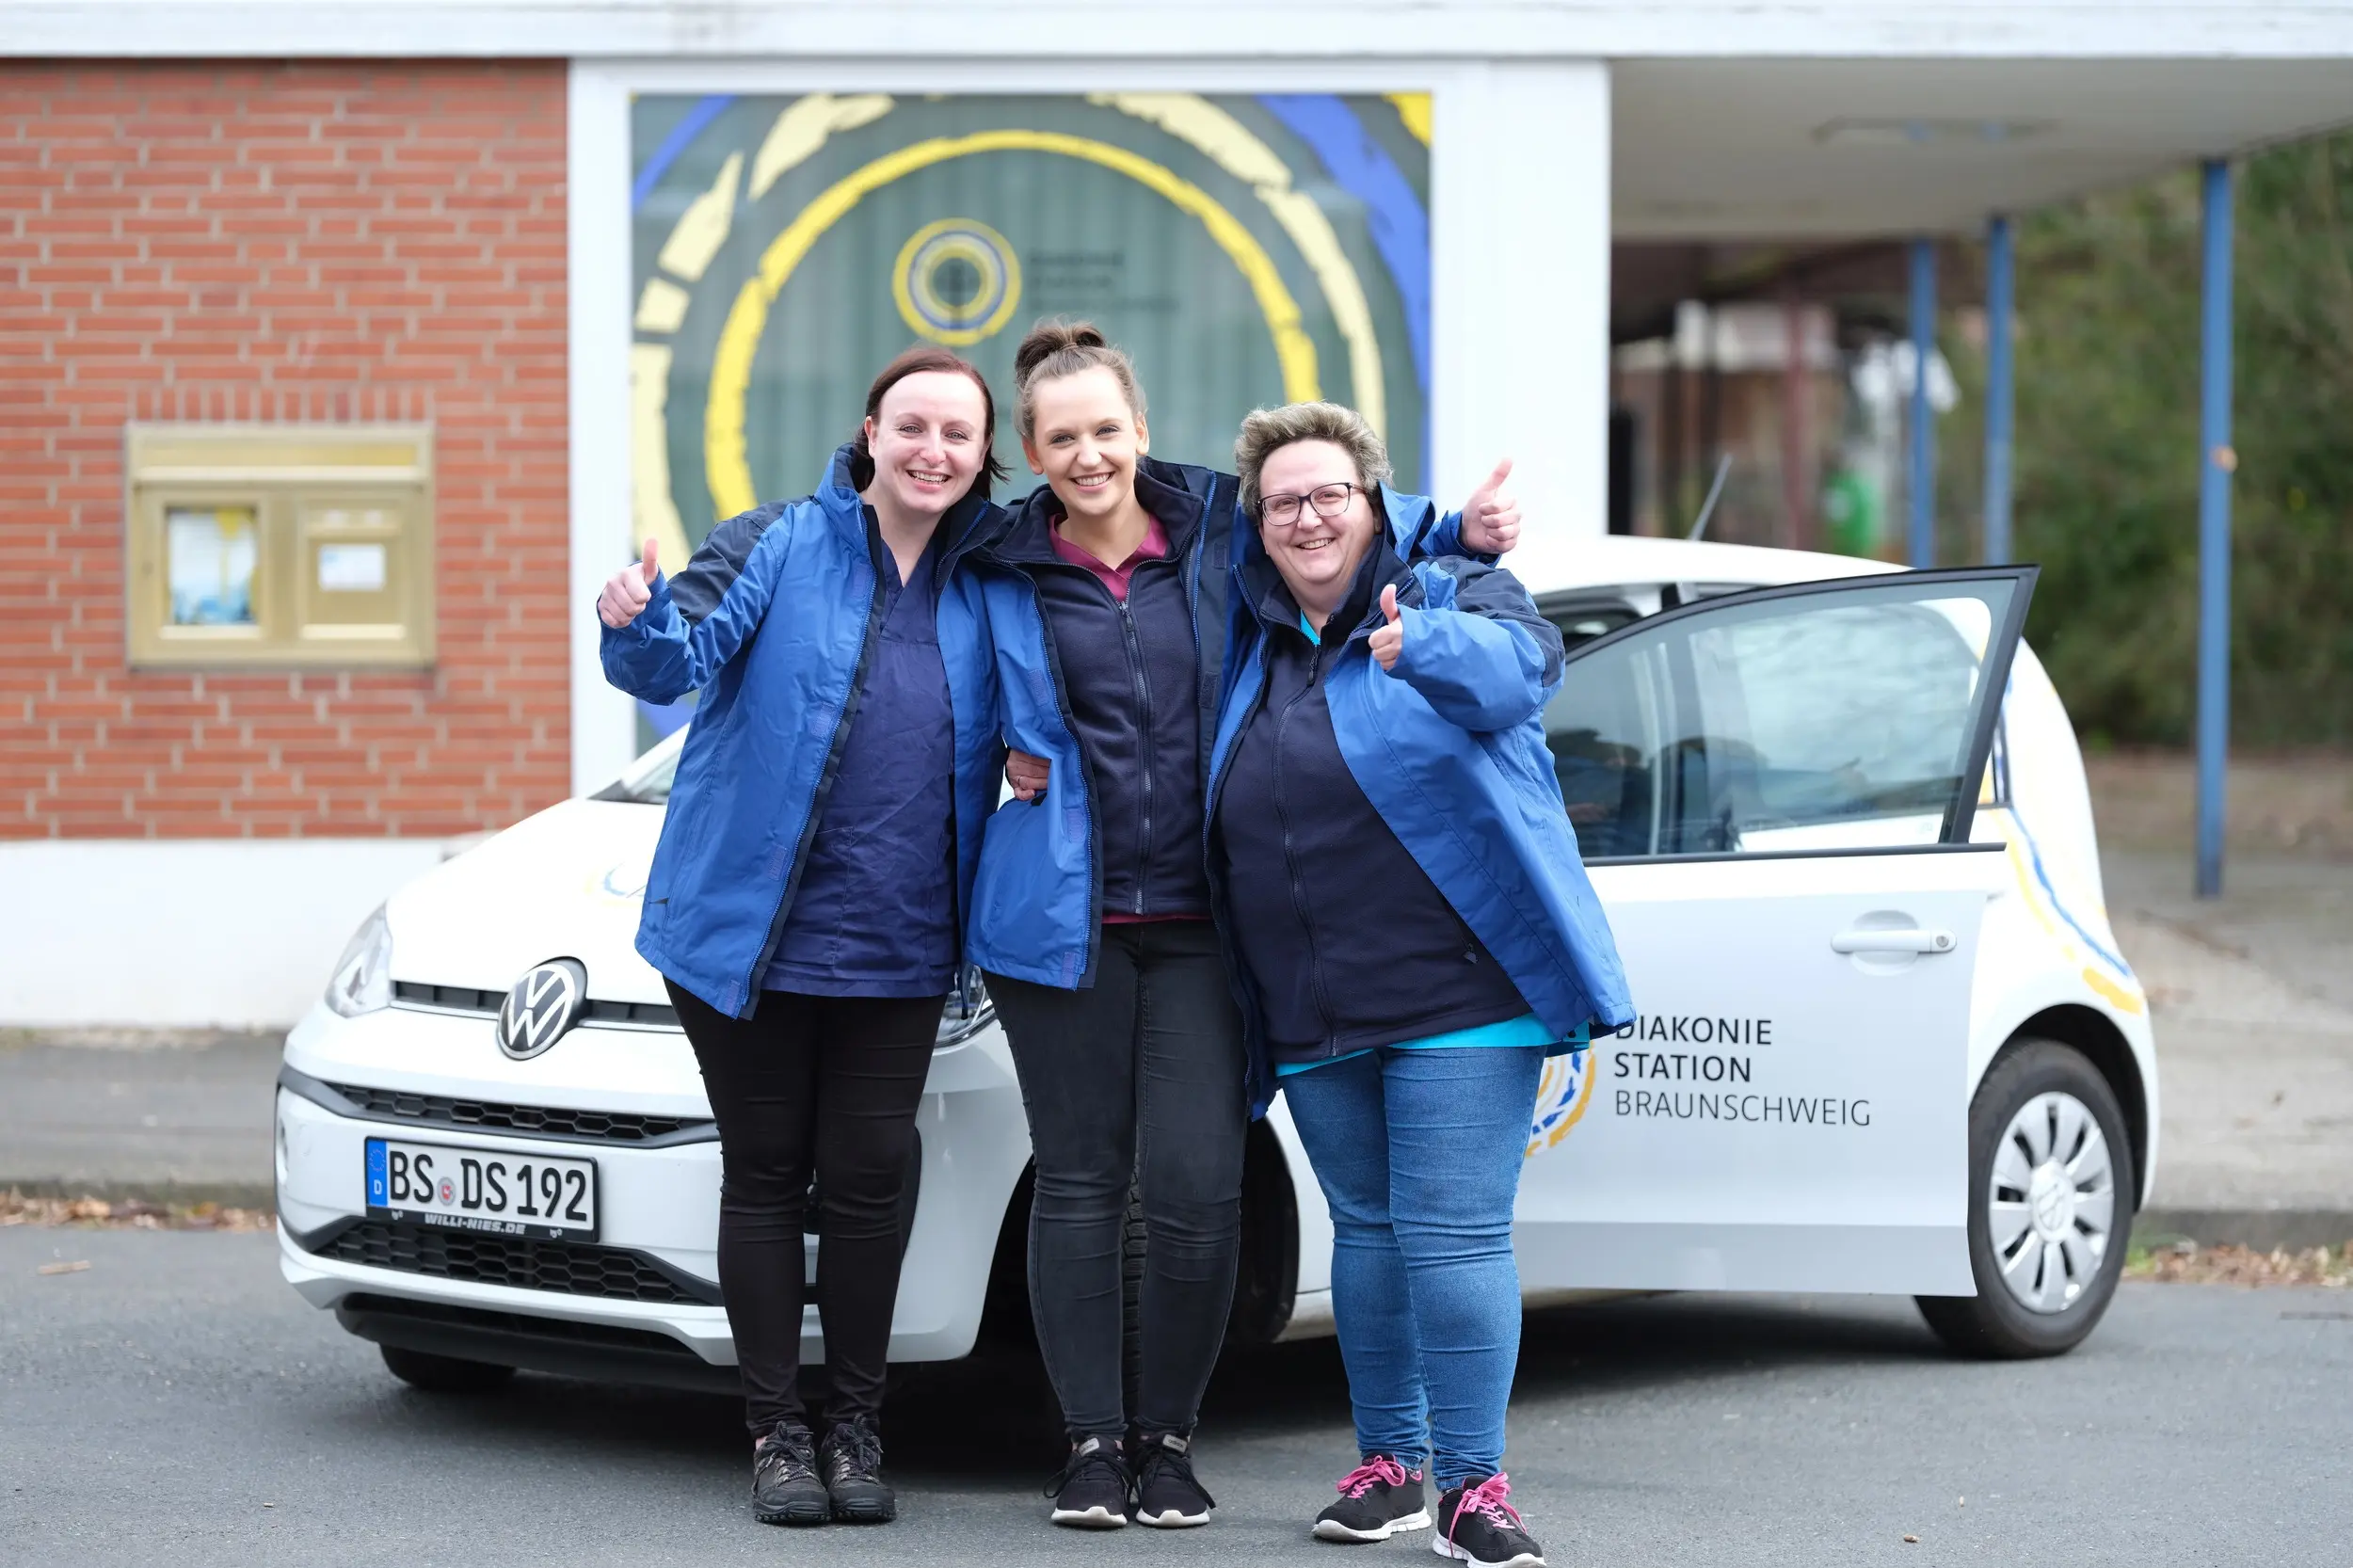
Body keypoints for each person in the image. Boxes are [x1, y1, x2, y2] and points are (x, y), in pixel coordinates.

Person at [962, 321, 1522, 1531]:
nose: (1088, 453)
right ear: (1032, 447)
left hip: (1211, 921)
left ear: (1139, 429)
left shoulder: (1222, 524)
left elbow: (1338, 509)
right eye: (1061, 437)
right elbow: (918, 676)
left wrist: (1455, 534)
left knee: (1199, 1186)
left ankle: (1167, 1441)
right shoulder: (996, 557)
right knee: (1076, 1181)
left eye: (1106, 429)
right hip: (1060, 921)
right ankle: (1091, 1448)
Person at [1204, 403, 1634, 1568]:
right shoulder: (1249, 646)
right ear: (1259, 521)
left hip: (1459, 993)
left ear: (1371, 504)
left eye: (1329, 494)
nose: (1307, 516)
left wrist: (1422, 643)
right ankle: (1389, 1467)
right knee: (1370, 1237)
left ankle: (1473, 1485)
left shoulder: (1455, 594)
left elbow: (1518, 676)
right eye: (1283, 500)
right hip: (1311, 1005)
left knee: (1449, 1241)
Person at [597, 347, 1013, 1528]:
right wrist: (629, 623)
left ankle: (858, 1425)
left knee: (872, 1181)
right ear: (869, 431)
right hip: (753, 934)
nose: (933, 450)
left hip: (904, 938)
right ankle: (777, 1432)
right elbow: (679, 653)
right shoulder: (778, 540)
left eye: (959, 434)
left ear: (985, 457)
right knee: (769, 1173)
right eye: (913, 426)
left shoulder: (995, 576)